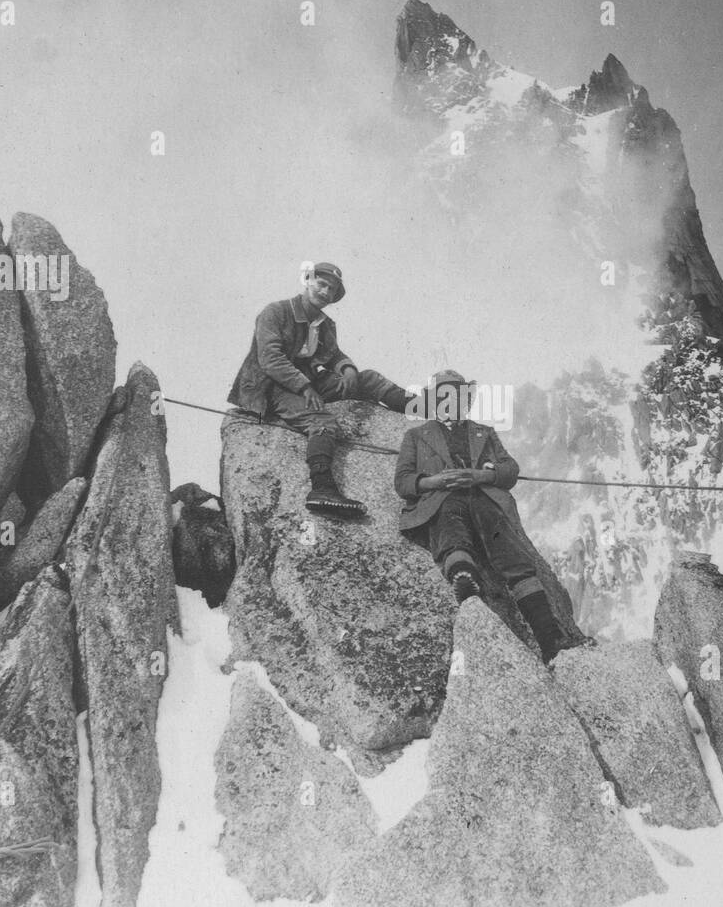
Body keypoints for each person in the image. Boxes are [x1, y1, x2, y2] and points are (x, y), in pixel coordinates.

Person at [394, 369, 585, 664]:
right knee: (450, 524)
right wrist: (435, 482)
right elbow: (403, 482)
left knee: (513, 557)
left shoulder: (482, 432)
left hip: (484, 499)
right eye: (443, 396)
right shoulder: (417, 436)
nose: (450, 402)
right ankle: (463, 576)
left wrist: (479, 475)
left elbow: (509, 470)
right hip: (443, 500)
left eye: (456, 396)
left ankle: (550, 642)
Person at [228, 260, 411, 517]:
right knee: (322, 420)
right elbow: (270, 359)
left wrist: (347, 368)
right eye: (321, 284)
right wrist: (304, 387)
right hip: (270, 386)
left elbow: (333, 353)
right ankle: (322, 489)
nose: (325, 292)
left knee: (365, 378)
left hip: (306, 383)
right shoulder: (276, 312)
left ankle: (426, 406)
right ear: (307, 281)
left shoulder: (325, 324)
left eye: (331, 289)